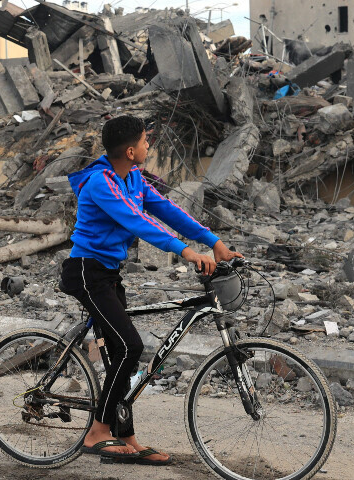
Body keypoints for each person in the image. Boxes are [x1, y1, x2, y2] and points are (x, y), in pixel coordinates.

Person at [61, 115, 242, 465]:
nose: (149, 146)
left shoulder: (134, 179)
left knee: (121, 359)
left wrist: (213, 241)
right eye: (146, 142)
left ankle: (125, 438)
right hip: (86, 272)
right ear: (130, 151)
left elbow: (167, 210)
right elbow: (138, 221)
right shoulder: (102, 182)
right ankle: (97, 433)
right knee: (131, 346)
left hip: (109, 275)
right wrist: (187, 251)